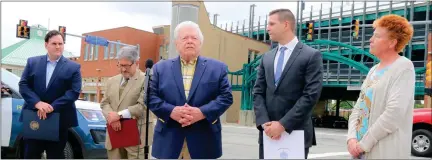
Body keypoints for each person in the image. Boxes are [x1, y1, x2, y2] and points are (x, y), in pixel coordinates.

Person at [148, 21, 233, 159]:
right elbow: (151, 97)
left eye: (194, 38)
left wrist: (202, 112)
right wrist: (171, 111)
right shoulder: (160, 68)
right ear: (176, 43)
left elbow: (226, 97)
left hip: (204, 140)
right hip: (168, 140)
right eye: (185, 38)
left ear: (200, 43)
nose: (190, 41)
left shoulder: (218, 68)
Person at [253, 8, 323, 159]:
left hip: (295, 133)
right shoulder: (267, 58)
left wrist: (283, 124)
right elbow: (258, 92)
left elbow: (311, 95)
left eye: (271, 24)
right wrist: (264, 123)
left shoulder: (311, 56)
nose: (267, 28)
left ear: (286, 25)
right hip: (268, 134)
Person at [346, 14, 415, 159]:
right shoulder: (373, 70)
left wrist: (364, 143)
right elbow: (359, 107)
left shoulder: (404, 67)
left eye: (377, 36)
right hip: (359, 151)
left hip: (382, 151)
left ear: (392, 42)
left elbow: (394, 113)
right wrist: (351, 138)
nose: (371, 40)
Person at [18, 30, 82, 159]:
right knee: (31, 155)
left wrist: (51, 107)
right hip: (34, 118)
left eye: (61, 43)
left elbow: (73, 92)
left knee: (56, 156)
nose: (58, 46)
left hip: (59, 120)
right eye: (54, 43)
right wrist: (38, 103)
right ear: (46, 44)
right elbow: (23, 85)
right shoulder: (32, 62)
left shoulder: (73, 67)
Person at [100, 46, 154, 159]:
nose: (123, 69)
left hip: (136, 138)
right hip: (114, 135)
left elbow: (142, 107)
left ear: (137, 62)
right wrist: (111, 116)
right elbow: (104, 103)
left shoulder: (147, 80)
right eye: (120, 65)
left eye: (127, 65)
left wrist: (118, 116)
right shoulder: (112, 81)